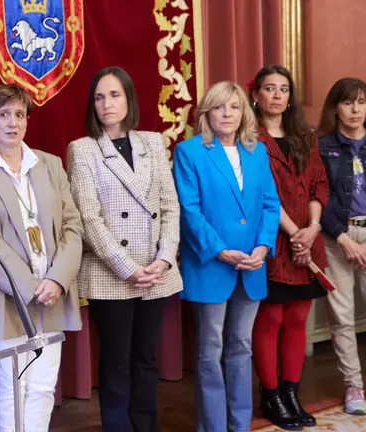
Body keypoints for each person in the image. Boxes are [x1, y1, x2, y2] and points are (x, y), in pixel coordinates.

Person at [0, 84, 83, 432]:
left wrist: (56, 279)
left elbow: (72, 226)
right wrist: (29, 288)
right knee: (13, 385)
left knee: (43, 384)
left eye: (19, 114)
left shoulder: (50, 165)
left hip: (52, 292)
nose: (13, 122)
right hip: (7, 298)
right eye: (4, 114)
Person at [66, 66, 182, 432]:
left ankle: (146, 427)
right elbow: (88, 217)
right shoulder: (83, 149)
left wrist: (164, 258)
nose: (107, 104)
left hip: (156, 272)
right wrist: (127, 267)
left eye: (114, 95)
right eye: (99, 97)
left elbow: (170, 206)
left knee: (146, 359)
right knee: (116, 362)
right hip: (111, 274)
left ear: (129, 99)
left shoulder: (152, 142)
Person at [173, 81, 280, 432]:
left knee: (242, 346)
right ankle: (213, 427)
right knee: (210, 349)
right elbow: (189, 211)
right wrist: (221, 251)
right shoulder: (190, 152)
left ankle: (239, 424)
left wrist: (262, 247)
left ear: (244, 112)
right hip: (211, 264)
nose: (227, 114)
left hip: (252, 265)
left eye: (234, 107)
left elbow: (270, 205)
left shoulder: (257, 151)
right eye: (219, 107)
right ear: (206, 112)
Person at [248, 65, 329, 430]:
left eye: (284, 89)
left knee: (298, 319)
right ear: (256, 95)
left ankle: (292, 393)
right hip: (272, 240)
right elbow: (262, 194)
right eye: (270, 88)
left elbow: (318, 184)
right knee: (271, 319)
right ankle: (271, 396)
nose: (278, 95)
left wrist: (311, 229)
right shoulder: (249, 138)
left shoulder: (304, 136)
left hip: (307, 238)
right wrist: (296, 234)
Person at [317, 77, 366, 416]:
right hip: (337, 239)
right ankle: (354, 386)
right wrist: (343, 237)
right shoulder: (322, 147)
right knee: (343, 316)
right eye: (348, 102)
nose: (355, 109)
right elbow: (319, 198)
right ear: (336, 107)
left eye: (361, 102)